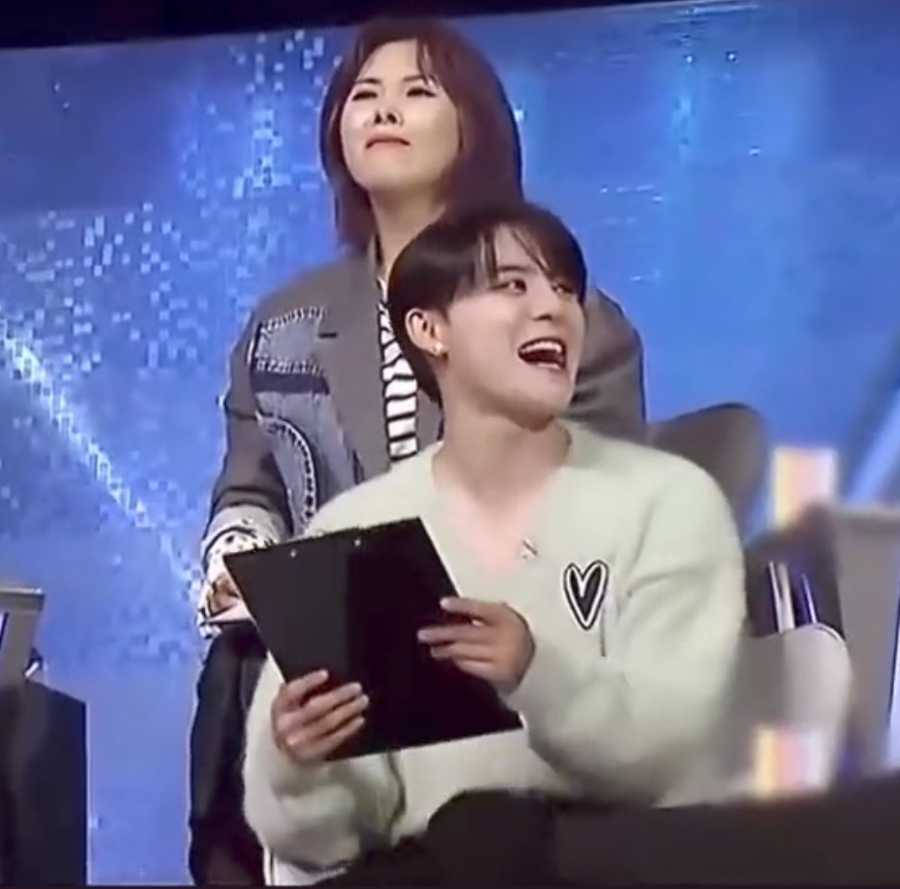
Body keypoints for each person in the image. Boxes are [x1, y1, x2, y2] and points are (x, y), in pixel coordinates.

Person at [189, 17, 647, 884]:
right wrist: (240, 559)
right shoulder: (283, 328)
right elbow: (252, 482)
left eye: (416, 91)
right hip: (338, 659)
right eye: (363, 94)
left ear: (475, 127)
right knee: (238, 670)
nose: (383, 109)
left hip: (499, 644)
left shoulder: (561, 317)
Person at [242, 201, 745, 883]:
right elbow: (325, 841)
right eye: (512, 285)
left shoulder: (668, 502)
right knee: (470, 837)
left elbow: (667, 751)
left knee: (492, 831)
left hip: (622, 859)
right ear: (429, 330)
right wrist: (299, 763)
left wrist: (534, 673)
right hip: (431, 865)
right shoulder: (354, 530)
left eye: (564, 289)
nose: (553, 309)